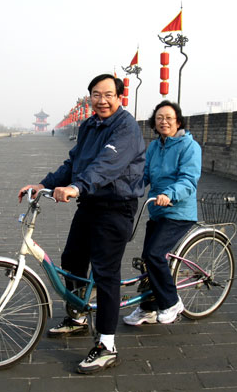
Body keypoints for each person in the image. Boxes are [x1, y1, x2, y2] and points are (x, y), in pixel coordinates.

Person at [18, 73, 145, 374]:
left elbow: (107, 165)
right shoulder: (88, 125)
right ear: (89, 97)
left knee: (105, 273)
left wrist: (77, 187)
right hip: (90, 203)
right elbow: (73, 163)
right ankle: (76, 317)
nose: (101, 100)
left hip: (116, 207)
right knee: (72, 258)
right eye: (96, 95)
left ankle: (107, 344)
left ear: (119, 97)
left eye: (108, 95)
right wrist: (43, 184)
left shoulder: (126, 127)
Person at [123, 100, 202, 326]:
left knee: (154, 255)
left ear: (178, 121)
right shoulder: (156, 147)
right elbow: (144, 174)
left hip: (178, 212)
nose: (164, 122)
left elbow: (188, 180)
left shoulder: (189, 147)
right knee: (147, 260)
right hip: (157, 210)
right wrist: (127, 189)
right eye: (159, 118)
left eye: (168, 117)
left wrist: (170, 193)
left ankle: (172, 302)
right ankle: (148, 308)